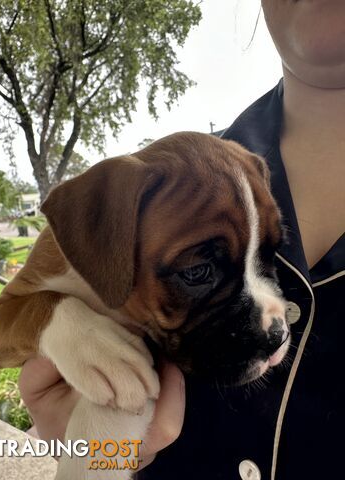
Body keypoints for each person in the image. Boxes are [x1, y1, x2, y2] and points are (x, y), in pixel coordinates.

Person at [19, 1, 345, 478]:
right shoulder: (153, 190)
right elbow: (17, 318)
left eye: (270, 255)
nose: (271, 321)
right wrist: (97, 454)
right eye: (197, 271)